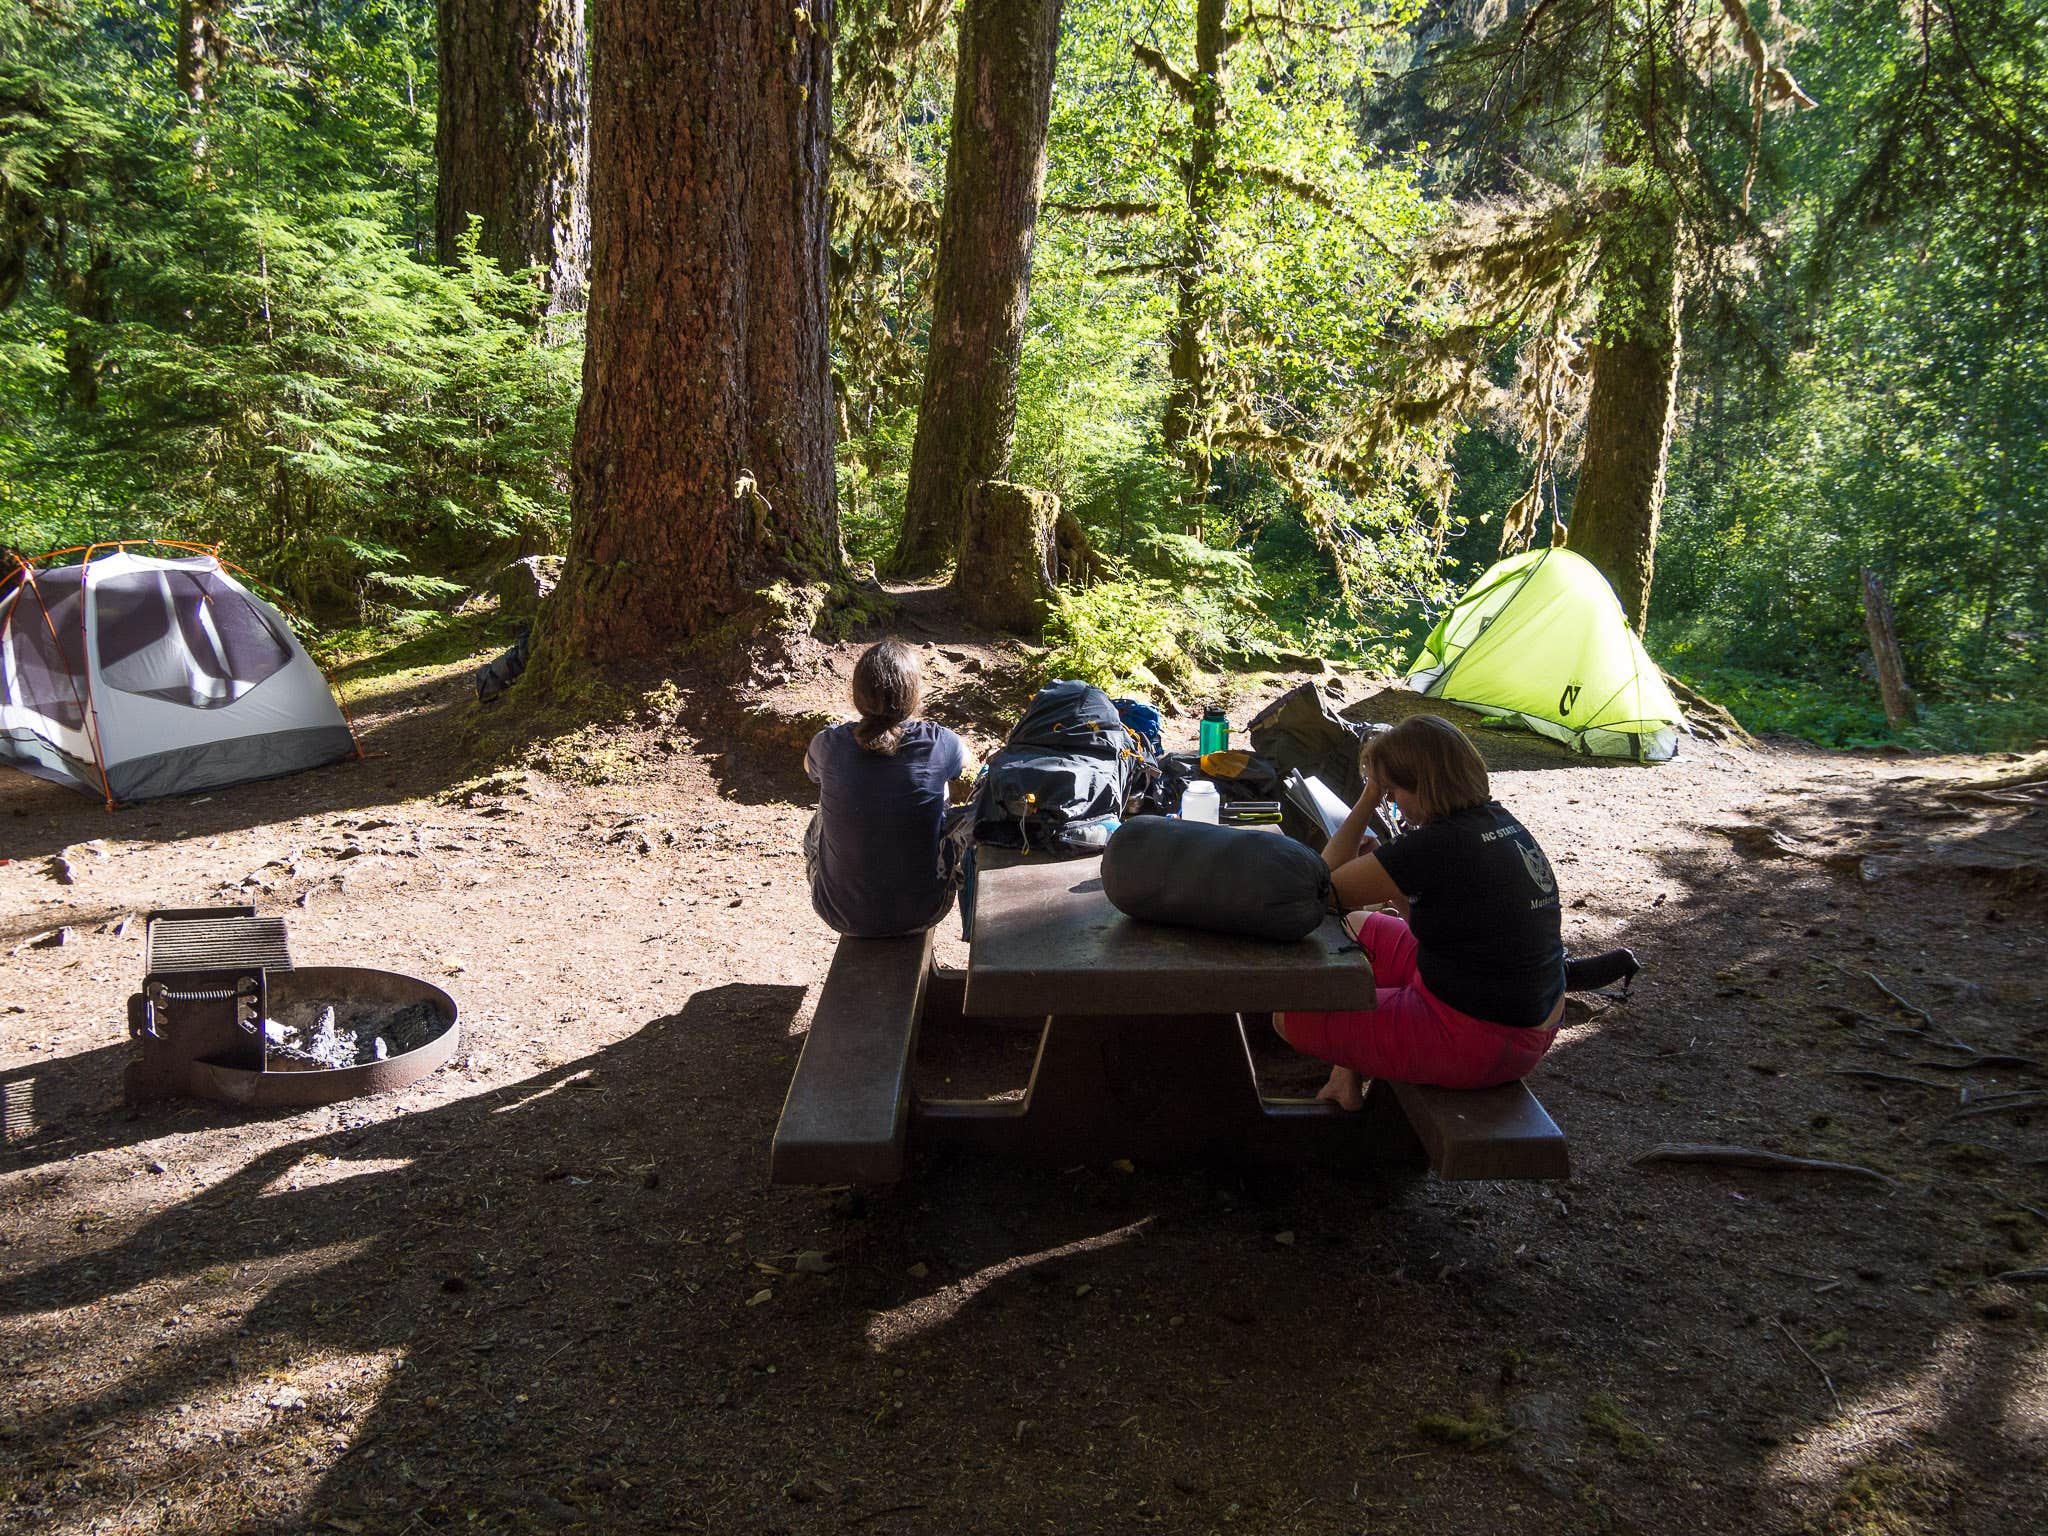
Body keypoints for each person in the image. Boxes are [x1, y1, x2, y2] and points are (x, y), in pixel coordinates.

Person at [1274, 713, 1565, 1108]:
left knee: (1288, 1015)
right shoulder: (1496, 821)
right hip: (1528, 1017)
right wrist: (1398, 887)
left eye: (1392, 791)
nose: (1392, 802)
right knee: (1357, 927)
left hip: (1480, 1038)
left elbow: (1318, 890)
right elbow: (1446, 929)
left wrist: (1368, 797)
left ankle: (1362, 1058)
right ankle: (1345, 1077)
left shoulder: (1434, 846)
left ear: (1423, 786)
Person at [804, 640, 970, 937]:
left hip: (840, 910)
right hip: (924, 910)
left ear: (858, 693)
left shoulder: (828, 743)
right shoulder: (941, 742)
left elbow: (809, 770)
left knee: (826, 800)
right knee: (942, 790)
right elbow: (964, 763)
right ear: (913, 693)